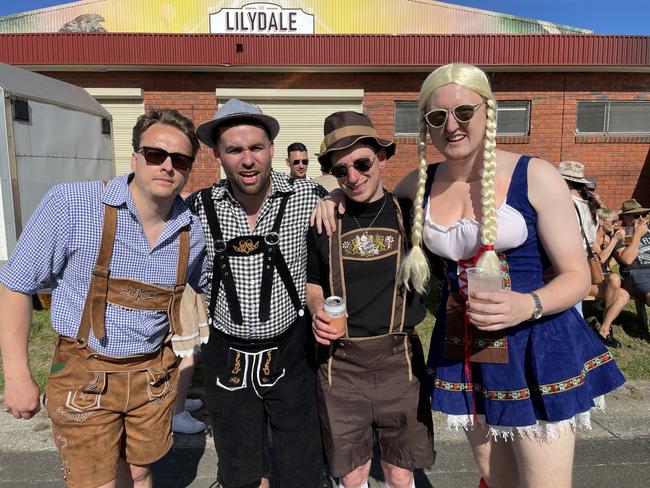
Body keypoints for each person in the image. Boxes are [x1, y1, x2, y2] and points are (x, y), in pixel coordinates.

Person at [311, 63, 625, 488]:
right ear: (426, 126)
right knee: (496, 479)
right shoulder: (421, 184)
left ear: (488, 111)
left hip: (536, 343)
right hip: (464, 343)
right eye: (437, 118)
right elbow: (368, 191)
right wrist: (331, 195)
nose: (452, 126)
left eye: (463, 112)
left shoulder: (535, 174)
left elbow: (575, 277)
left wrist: (525, 304)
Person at [0, 108, 206, 488]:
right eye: (155, 155)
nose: (167, 167)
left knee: (141, 472)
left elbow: (217, 286)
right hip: (84, 376)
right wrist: (16, 376)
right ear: (135, 157)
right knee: (97, 482)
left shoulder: (192, 232)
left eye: (180, 160)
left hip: (151, 376)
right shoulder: (72, 205)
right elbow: (15, 285)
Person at [189, 98, 327, 488]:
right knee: (239, 465)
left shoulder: (310, 197)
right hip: (226, 348)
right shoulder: (198, 207)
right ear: (218, 155)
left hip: (290, 347)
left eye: (255, 148)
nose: (247, 160)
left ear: (271, 150)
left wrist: (336, 202)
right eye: (234, 150)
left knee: (300, 460)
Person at [306, 112, 435, 488]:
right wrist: (317, 310)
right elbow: (314, 282)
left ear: (382, 157)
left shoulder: (410, 214)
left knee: (399, 470)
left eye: (362, 163)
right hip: (341, 363)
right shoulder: (323, 219)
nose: (353, 177)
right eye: (340, 170)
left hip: (399, 360)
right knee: (354, 471)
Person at [589, 208, 629, 348]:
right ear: (601, 222)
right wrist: (614, 241)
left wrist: (629, 238)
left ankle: (604, 329)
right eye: (612, 221)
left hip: (604, 281)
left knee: (624, 295)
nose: (615, 224)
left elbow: (623, 256)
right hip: (588, 281)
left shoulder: (607, 237)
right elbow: (599, 261)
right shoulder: (590, 238)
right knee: (614, 279)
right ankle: (605, 318)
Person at [614, 198, 650, 306]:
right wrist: (637, 234)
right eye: (636, 215)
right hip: (637, 275)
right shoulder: (626, 234)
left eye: (643, 215)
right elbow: (627, 260)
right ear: (625, 217)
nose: (641, 218)